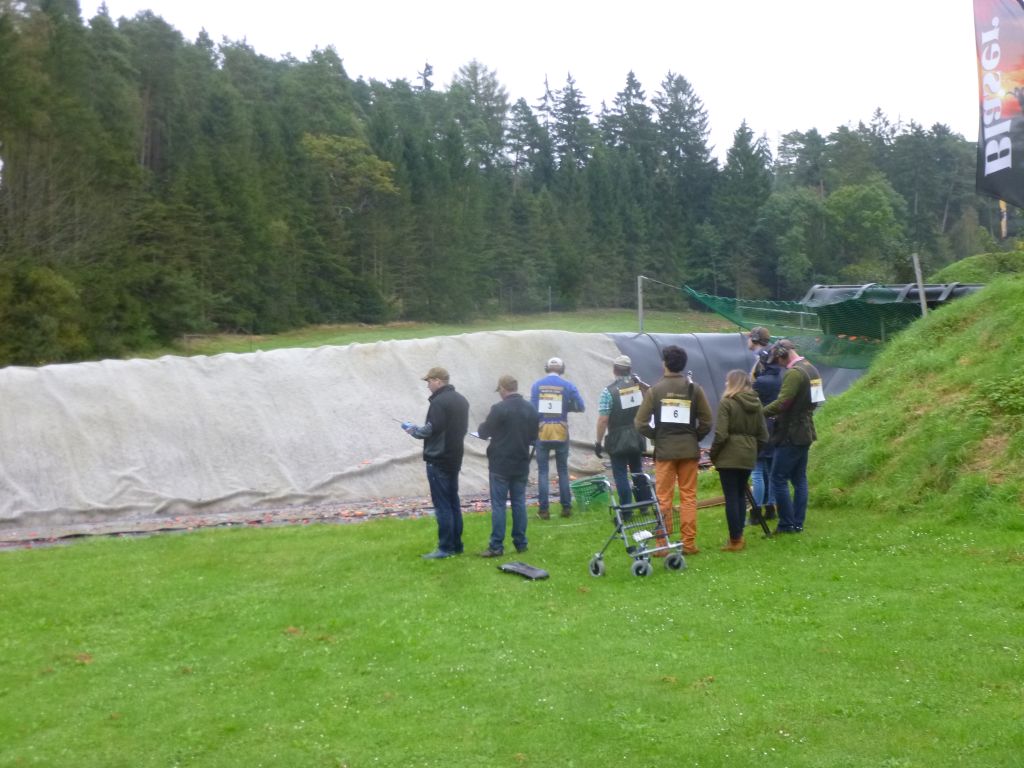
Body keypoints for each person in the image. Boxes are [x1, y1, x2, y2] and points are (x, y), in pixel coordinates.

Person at [634, 345, 712, 555]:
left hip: (665, 452)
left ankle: (663, 544)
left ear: (664, 363)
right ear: (683, 364)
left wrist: (656, 436)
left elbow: (640, 423)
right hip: (689, 451)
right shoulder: (695, 389)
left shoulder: (655, 390)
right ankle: (688, 543)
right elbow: (707, 421)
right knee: (688, 497)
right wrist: (694, 437)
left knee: (663, 498)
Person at [402, 366, 470, 558]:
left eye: (429, 381)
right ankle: (457, 544)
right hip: (455, 457)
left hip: (438, 458)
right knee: (453, 502)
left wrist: (413, 431)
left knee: (442, 505)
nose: (428, 385)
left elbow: (432, 429)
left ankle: (445, 547)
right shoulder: (461, 400)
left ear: (438, 381)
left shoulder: (439, 402)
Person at [763, 339, 824, 534]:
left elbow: (783, 403)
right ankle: (798, 523)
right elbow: (816, 400)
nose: (779, 364)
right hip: (806, 429)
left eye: (778, 359)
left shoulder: (794, 373)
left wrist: (760, 412)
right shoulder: (812, 369)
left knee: (777, 478)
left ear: (783, 354)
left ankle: (786, 524)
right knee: (799, 479)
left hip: (790, 433)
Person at [476, 375, 539, 557]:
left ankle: (496, 545)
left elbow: (483, 432)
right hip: (521, 461)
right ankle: (521, 543)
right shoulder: (530, 408)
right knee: (519, 503)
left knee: (499, 505)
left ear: (503, 389)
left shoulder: (499, 408)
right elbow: (534, 436)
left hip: (500, 463)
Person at [709, 370, 769, 551]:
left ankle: (735, 539)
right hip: (748, 454)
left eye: (727, 381)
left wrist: (714, 454)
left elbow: (721, 434)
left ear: (733, 383)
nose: (725, 384)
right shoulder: (756, 403)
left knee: (732, 497)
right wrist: (753, 451)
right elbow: (763, 435)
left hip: (728, 455)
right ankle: (739, 535)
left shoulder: (727, 402)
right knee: (741, 495)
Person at [530, 356, 585, 519]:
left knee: (543, 472)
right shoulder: (568, 385)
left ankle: (544, 510)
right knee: (562, 470)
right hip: (561, 431)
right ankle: (566, 507)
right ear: (562, 369)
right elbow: (581, 406)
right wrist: (566, 407)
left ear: (546, 368)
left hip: (542, 431)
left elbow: (532, 410)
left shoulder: (537, 385)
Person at [594, 354, 652, 506]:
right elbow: (651, 398)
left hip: (617, 438)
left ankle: (626, 509)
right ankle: (644, 504)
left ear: (614, 370)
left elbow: (603, 420)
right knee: (637, 470)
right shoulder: (639, 387)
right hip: (636, 435)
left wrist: (598, 442)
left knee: (620, 474)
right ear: (630, 370)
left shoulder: (608, 392)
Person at [750, 345, 784, 522]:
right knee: (771, 471)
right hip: (777, 427)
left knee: (757, 472)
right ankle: (771, 507)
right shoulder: (782, 378)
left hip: (761, 427)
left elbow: (750, 403)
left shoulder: (760, 382)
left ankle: (756, 510)